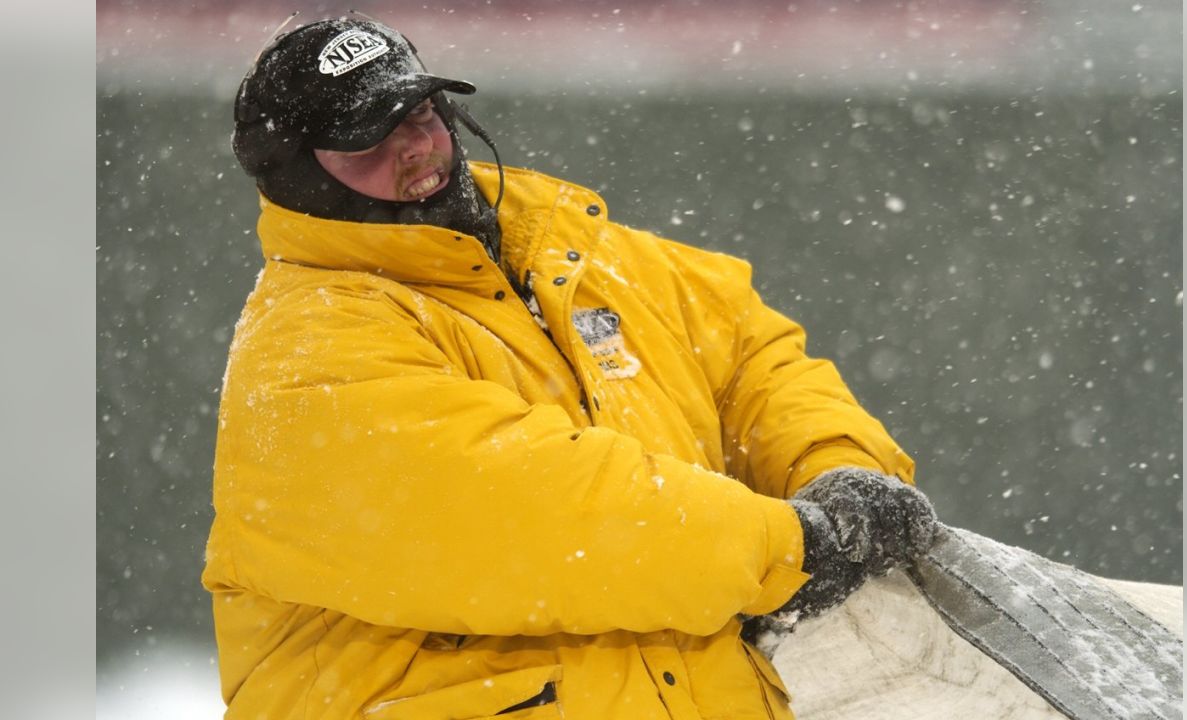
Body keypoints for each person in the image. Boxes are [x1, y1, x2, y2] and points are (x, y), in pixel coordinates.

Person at [202, 15, 938, 720]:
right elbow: (553, 513)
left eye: (422, 115)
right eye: (368, 140)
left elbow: (749, 356)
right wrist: (796, 548)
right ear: (298, 176)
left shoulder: (568, 251)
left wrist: (838, 468)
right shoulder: (305, 353)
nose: (418, 149)